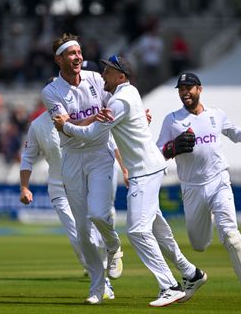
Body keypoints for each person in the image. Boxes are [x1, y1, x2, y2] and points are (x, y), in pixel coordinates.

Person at [54, 56, 207, 307]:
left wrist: (66, 126)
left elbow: (93, 133)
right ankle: (191, 273)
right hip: (147, 167)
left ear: (121, 76)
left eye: (107, 71)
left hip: (145, 170)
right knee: (158, 229)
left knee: (137, 231)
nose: (102, 74)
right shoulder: (128, 93)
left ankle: (169, 285)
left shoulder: (120, 100)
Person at [157, 72, 241, 301]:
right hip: (192, 188)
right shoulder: (172, 120)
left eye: (189, 87)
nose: (185, 92)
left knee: (230, 234)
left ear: (200, 89)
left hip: (219, 181)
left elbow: (240, 134)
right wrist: (171, 148)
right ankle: (210, 221)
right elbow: (156, 154)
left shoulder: (216, 115)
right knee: (198, 244)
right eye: (180, 89)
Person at [19, 77, 127, 301]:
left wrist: (125, 169)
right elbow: (28, 157)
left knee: (99, 220)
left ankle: (111, 251)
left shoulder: (81, 114)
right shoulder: (38, 125)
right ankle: (102, 282)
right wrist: (24, 187)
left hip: (86, 176)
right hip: (59, 187)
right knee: (78, 235)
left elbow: (113, 141)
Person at [41, 33, 123, 304]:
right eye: (71, 53)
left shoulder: (96, 79)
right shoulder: (51, 91)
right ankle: (98, 287)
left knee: (99, 214)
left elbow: (117, 103)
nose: (77, 57)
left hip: (100, 153)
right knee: (83, 231)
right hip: (73, 156)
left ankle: (113, 245)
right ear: (59, 59)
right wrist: (93, 117)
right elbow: (64, 125)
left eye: (79, 52)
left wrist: (136, 114)